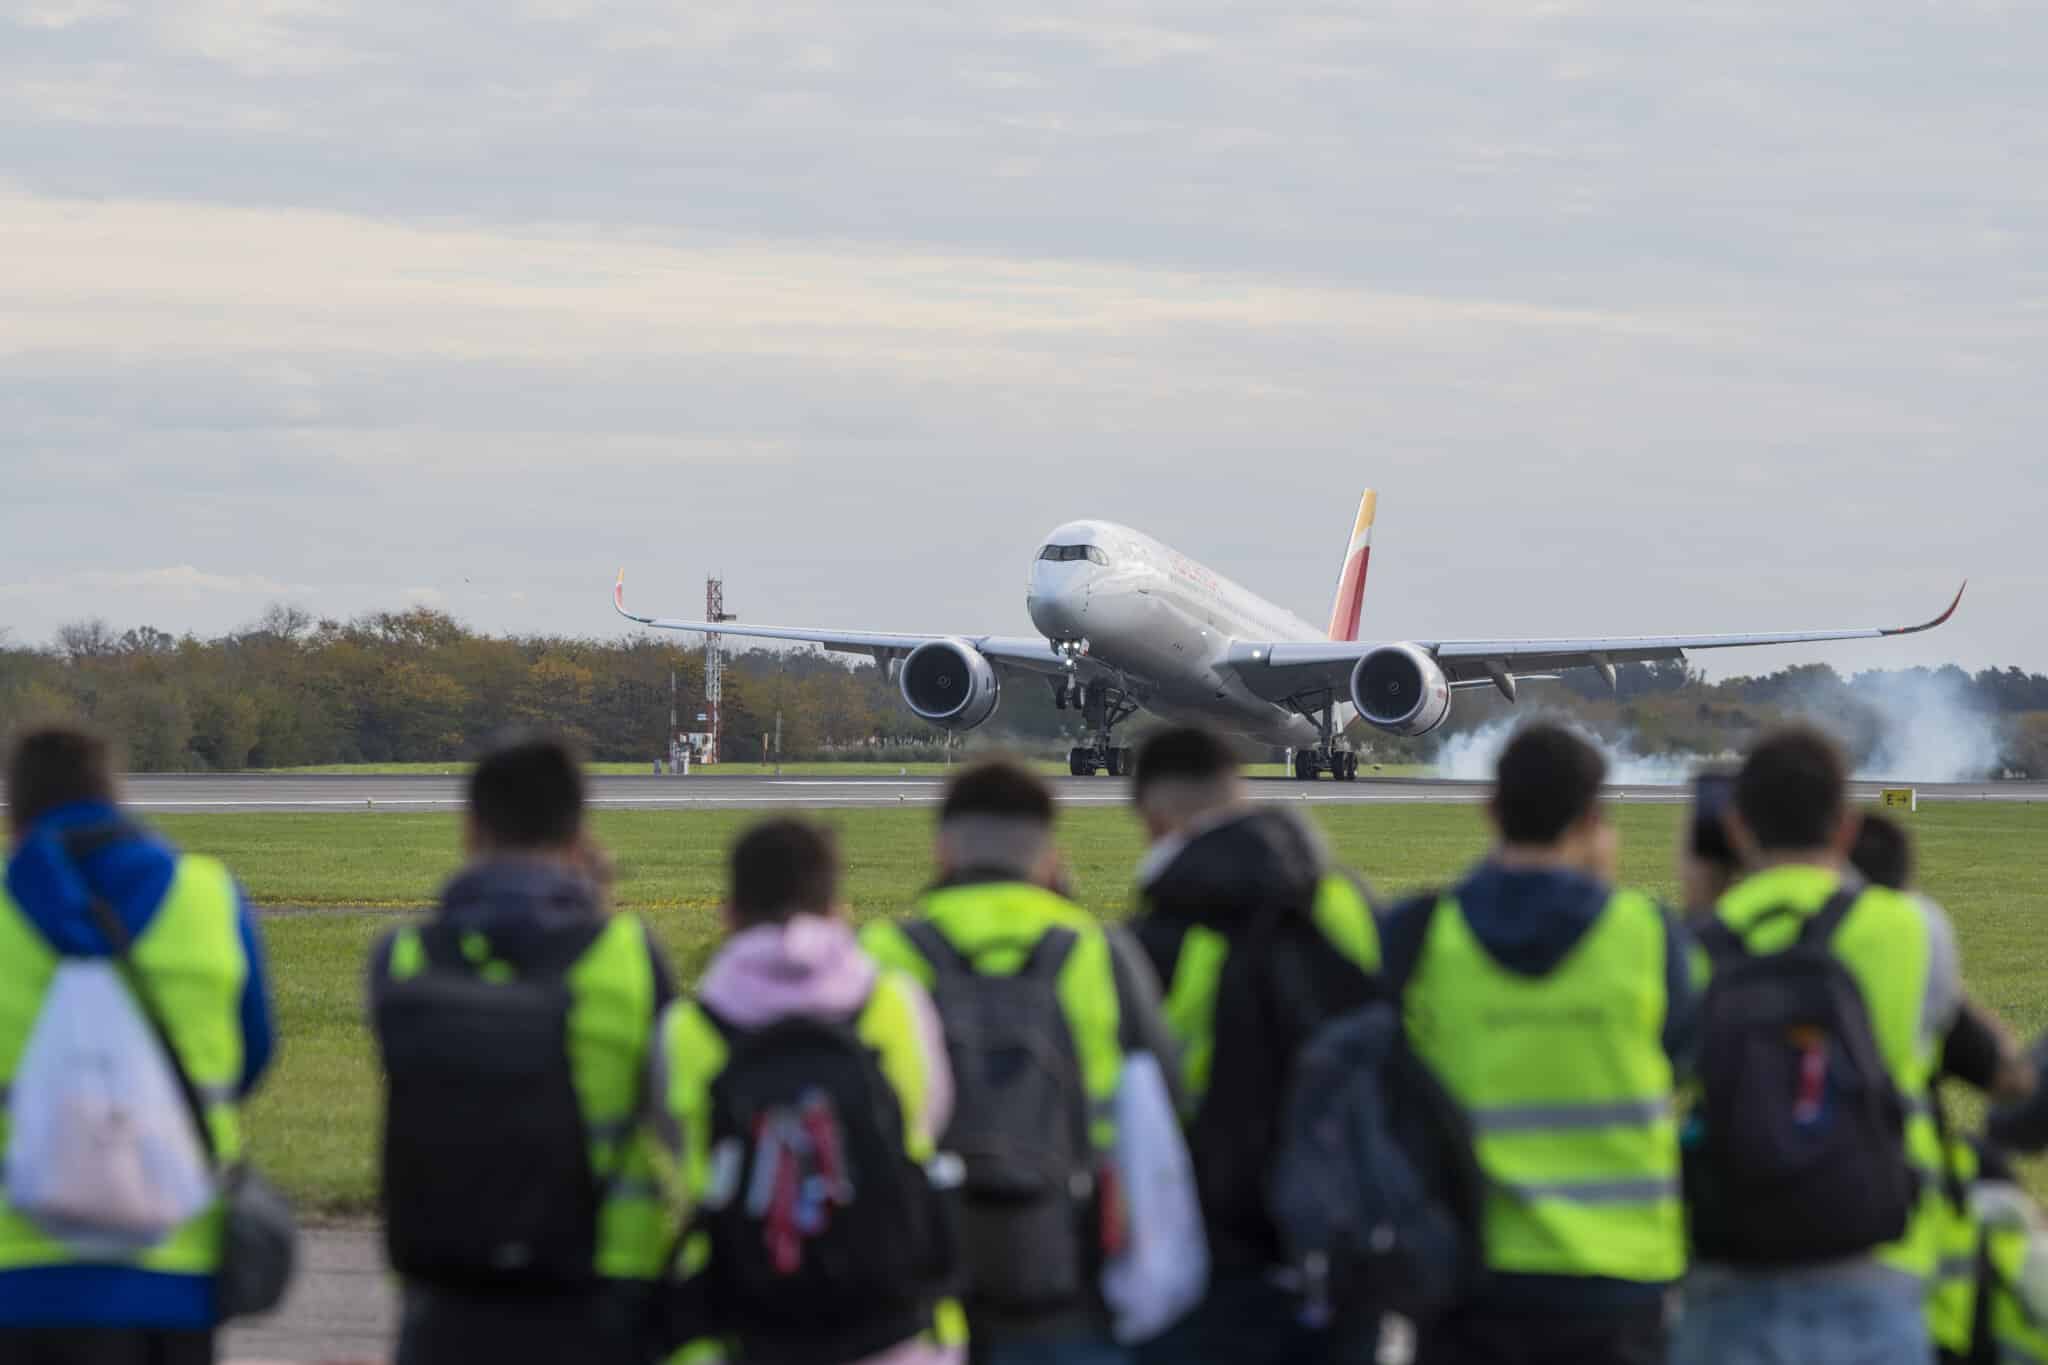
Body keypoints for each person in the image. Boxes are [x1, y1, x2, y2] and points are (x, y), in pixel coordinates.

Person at [1377, 722, 1694, 1365]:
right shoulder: (1649, 934)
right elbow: (1691, 1065)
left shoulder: (1419, 934)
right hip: (1621, 1276)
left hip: (1468, 1278)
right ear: (1595, 818)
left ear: (1489, 809)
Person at [368, 732, 676, 1365]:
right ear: (579, 833)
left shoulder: (401, 958)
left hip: (448, 1286)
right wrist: (592, 899)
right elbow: (677, 1115)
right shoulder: (626, 954)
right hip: (601, 1282)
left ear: (471, 828)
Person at [863, 760, 1175, 1365]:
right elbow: (1162, 1110)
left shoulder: (884, 952)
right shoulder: (1096, 948)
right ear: (1049, 852)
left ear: (943, 849)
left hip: (922, 1267)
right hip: (1066, 1257)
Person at [1672, 726, 1961, 1365]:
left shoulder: (1695, 946)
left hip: (1727, 1266)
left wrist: (1701, 902)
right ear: (1848, 828)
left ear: (1738, 828)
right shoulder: (1914, 930)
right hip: (1881, 1259)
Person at [0, 723, 277, 1365]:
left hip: (18, 1272)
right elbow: (252, 1056)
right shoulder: (207, 895)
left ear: (18, 810)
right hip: (173, 1263)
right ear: (115, 795)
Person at [659, 818, 965, 1365]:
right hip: (892, 1321)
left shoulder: (689, 1028)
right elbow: (929, 1122)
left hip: (741, 1316)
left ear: (727, 914)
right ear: (838, 910)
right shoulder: (893, 1005)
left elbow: (674, 1154)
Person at [1122, 726, 1380, 1365]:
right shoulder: (1351, 906)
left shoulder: (1154, 936)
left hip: (1211, 1250)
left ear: (1153, 816)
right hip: (1346, 1242)